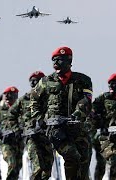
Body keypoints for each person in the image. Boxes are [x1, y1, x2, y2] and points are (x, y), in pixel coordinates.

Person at [30, 46, 93, 180]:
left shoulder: (83, 80)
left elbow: (86, 100)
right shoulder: (45, 82)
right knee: (71, 157)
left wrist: (77, 115)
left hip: (76, 128)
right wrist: (39, 119)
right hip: (55, 129)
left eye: (60, 60)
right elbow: (34, 100)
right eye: (54, 60)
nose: (56, 63)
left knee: (83, 164)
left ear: (69, 61)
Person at [18, 71, 53, 180]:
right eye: (31, 80)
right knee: (37, 167)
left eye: (37, 79)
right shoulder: (25, 99)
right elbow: (11, 114)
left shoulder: (50, 97)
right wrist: (18, 128)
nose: (34, 82)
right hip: (31, 136)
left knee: (47, 169)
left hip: (46, 135)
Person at [91, 73, 116, 179]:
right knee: (113, 160)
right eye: (110, 84)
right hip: (106, 137)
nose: (112, 86)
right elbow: (91, 113)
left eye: (114, 84)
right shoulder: (103, 98)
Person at [0, 86, 21, 180]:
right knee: (11, 163)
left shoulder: (21, 109)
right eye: (7, 96)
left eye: (12, 96)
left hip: (18, 141)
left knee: (18, 167)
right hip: (5, 142)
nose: (8, 98)